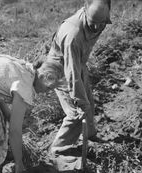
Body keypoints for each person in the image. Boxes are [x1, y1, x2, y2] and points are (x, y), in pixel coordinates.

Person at [36, 0, 112, 171]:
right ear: (85, 10)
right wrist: (79, 100)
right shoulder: (73, 34)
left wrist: (84, 99)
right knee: (76, 113)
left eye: (102, 22)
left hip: (77, 63)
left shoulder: (100, 18)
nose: (97, 27)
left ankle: (90, 137)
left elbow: (76, 68)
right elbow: (71, 73)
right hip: (59, 69)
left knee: (89, 103)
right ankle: (58, 151)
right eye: (93, 23)